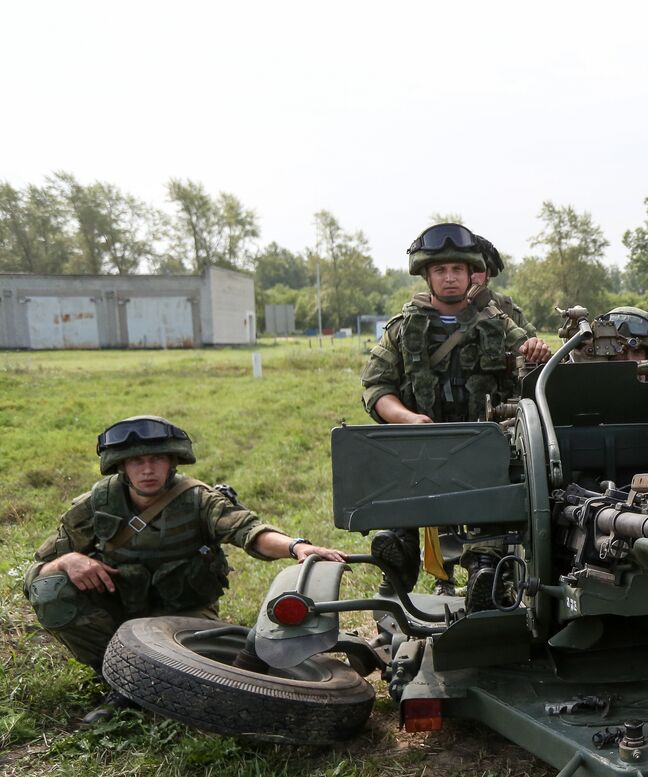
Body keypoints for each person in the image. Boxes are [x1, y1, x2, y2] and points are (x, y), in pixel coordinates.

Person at [24, 415, 347, 724]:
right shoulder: (97, 504)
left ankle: (137, 682)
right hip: (117, 610)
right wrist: (66, 561)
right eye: (137, 462)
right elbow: (37, 571)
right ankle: (117, 677)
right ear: (122, 466)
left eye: (157, 460)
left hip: (183, 615)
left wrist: (296, 547)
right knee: (51, 589)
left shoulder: (197, 499)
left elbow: (248, 531)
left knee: (208, 680)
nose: (147, 470)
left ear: (172, 462)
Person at [360, 223, 550, 602]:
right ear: (427, 276)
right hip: (421, 446)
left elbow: (535, 373)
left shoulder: (498, 324)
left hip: (485, 446)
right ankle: (399, 564)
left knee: (493, 517)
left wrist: (535, 353)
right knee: (396, 519)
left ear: (470, 275)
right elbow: (376, 388)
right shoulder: (402, 329)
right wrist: (406, 418)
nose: (450, 278)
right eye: (441, 271)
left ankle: (485, 571)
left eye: (458, 271)